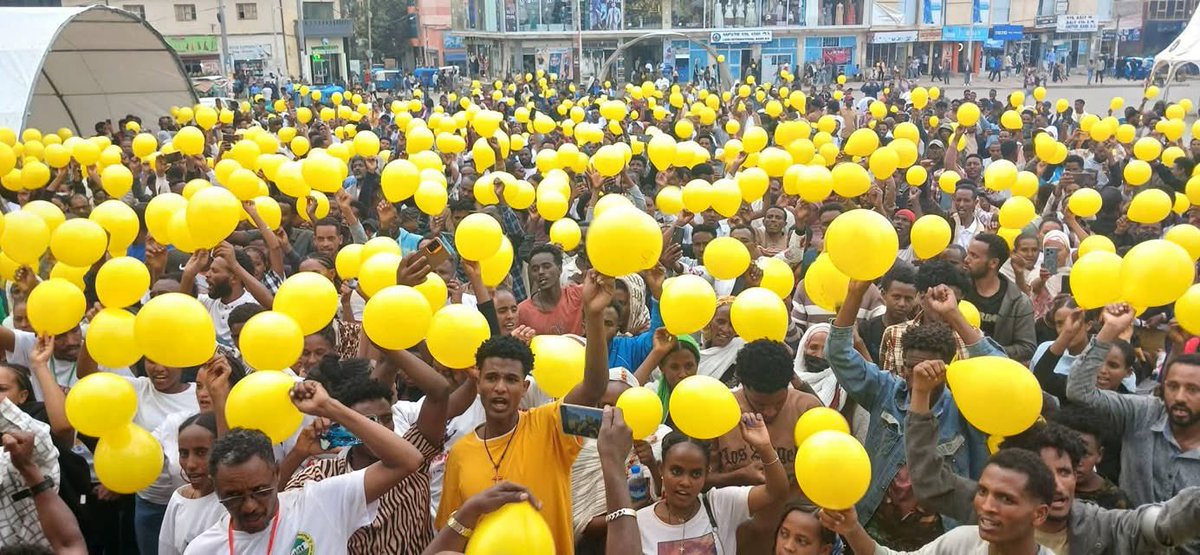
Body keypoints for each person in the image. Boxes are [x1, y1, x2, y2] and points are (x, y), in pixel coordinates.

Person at [436, 270, 614, 555]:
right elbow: (452, 534)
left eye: (511, 380)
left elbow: (593, 387)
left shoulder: (550, 426)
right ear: (478, 381)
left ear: (524, 386)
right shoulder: (460, 454)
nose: (500, 388)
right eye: (492, 378)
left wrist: (592, 315)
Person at [829, 280, 1000, 546]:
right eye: (910, 367)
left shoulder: (966, 407)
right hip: (875, 525)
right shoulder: (886, 390)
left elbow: (1003, 372)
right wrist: (855, 293)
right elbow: (839, 354)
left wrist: (954, 316)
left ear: (945, 366)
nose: (915, 375)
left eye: (926, 367)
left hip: (940, 536)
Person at [183, 380, 426, 553]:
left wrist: (329, 407)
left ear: (277, 475)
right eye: (233, 497)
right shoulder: (203, 549)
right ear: (216, 488)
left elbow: (408, 460)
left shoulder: (321, 502)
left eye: (261, 491)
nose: (249, 506)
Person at [1067, 303, 1200, 507]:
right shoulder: (1142, 412)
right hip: (1128, 536)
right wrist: (1110, 329)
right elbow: (1080, 391)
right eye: (1173, 386)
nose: (1180, 397)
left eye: (1192, 389)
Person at [819, 449, 1058, 555]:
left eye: (1006, 499)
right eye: (983, 491)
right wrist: (850, 528)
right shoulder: (962, 542)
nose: (987, 506)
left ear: (1039, 514)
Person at [636, 416, 789, 555]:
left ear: (706, 474)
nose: (685, 482)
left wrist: (764, 447)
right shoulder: (639, 522)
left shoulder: (720, 504)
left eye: (695, 474)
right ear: (662, 468)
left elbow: (776, 491)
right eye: (676, 471)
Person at [158, 413, 225, 555]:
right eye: (183, 453)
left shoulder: (231, 503)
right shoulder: (178, 500)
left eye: (201, 452)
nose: (190, 464)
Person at [964, 233, 1036, 361]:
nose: (966, 259)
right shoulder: (960, 291)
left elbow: (1027, 348)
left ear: (993, 263)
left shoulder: (1019, 302)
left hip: (995, 371)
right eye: (968, 253)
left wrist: (987, 351)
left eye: (974, 256)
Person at [517, 244, 585, 336]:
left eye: (546, 266)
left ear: (560, 269)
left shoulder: (577, 295)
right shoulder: (522, 311)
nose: (541, 272)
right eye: (535, 269)